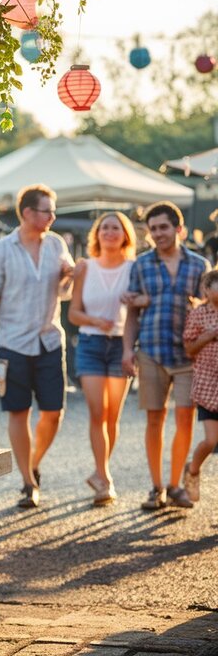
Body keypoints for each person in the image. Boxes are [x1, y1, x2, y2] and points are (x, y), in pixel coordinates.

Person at [0, 184, 74, 508]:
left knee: (54, 412)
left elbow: (65, 291)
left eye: (53, 211)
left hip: (49, 339)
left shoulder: (57, 244)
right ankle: (28, 482)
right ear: (28, 212)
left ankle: (32, 462)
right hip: (11, 343)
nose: (53, 217)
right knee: (18, 411)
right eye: (48, 211)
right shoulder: (1, 250)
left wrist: (68, 276)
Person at [121, 201, 210, 511]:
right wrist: (126, 350)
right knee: (154, 419)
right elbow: (131, 313)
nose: (157, 233)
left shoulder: (199, 265)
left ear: (178, 229)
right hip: (151, 350)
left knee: (185, 418)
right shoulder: (141, 264)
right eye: (153, 229)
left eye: (163, 227)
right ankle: (156, 487)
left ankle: (175, 485)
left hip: (189, 355)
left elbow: (209, 307)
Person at [68, 212, 137, 506]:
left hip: (122, 345)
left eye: (115, 228)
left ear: (125, 235)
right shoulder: (86, 267)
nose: (109, 232)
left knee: (113, 416)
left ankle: (99, 472)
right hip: (91, 344)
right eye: (104, 228)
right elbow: (73, 313)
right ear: (97, 234)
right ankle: (105, 477)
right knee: (98, 412)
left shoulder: (134, 268)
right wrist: (96, 321)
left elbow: (138, 308)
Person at [180, 269, 218, 504]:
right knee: (211, 440)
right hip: (208, 385)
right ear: (206, 289)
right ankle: (193, 471)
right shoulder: (199, 314)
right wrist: (209, 336)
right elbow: (189, 349)